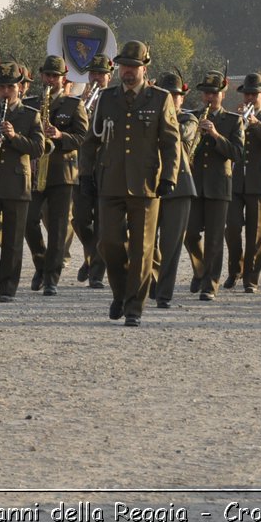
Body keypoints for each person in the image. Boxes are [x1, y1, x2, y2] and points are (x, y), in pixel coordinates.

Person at [85, 40, 179, 327]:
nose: (127, 71)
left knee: (142, 249)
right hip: (110, 181)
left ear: (144, 68)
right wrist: (85, 175)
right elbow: (92, 141)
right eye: (124, 66)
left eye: (133, 66)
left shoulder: (159, 99)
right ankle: (120, 292)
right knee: (109, 243)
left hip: (146, 185)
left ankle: (134, 307)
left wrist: (168, 177)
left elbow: (171, 142)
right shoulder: (106, 98)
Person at [0, 64, 42, 301]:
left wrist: (14, 137)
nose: (5, 91)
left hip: (16, 182)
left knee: (13, 238)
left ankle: (7, 287)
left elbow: (38, 148)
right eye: (1, 86)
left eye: (10, 87)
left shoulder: (31, 114)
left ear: (20, 88)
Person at [25, 55, 89, 296]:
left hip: (62, 172)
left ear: (64, 79)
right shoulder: (31, 102)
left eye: (55, 76)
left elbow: (83, 137)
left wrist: (61, 136)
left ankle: (52, 277)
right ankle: (41, 264)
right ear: (42, 76)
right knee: (29, 221)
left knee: (58, 226)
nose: (51, 80)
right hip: (34, 171)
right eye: (47, 75)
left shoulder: (74, 105)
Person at [185, 70, 242, 301]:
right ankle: (200, 269)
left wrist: (216, 134)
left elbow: (237, 153)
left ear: (222, 94)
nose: (209, 97)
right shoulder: (192, 117)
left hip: (219, 186)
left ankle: (210, 284)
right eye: (206, 93)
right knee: (189, 233)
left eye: (214, 93)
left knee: (215, 239)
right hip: (195, 184)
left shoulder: (233, 120)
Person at [226, 73, 261, 293]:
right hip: (237, 180)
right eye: (247, 94)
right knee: (232, 229)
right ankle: (234, 270)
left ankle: (251, 278)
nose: (249, 98)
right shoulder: (235, 118)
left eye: (253, 94)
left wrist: (255, 123)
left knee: (256, 235)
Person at [151, 71, 198, 310]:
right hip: (150, 183)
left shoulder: (189, 119)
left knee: (171, 245)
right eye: (165, 94)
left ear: (182, 98)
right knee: (147, 241)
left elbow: (179, 135)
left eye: (175, 95)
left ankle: (164, 294)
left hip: (179, 186)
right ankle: (152, 282)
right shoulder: (149, 115)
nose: (171, 98)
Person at [72, 54, 114, 288]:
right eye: (93, 73)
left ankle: (97, 272)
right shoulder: (79, 101)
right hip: (84, 169)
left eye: (101, 74)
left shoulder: (115, 100)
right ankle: (91, 256)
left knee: (103, 224)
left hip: (108, 169)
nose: (96, 77)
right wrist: (84, 106)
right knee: (79, 220)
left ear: (109, 76)